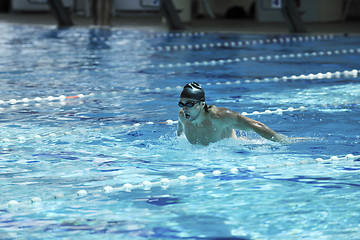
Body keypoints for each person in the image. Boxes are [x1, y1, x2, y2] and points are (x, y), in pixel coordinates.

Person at [177, 82, 289, 145]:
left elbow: (253, 125)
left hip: (238, 149)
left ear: (202, 104)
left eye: (189, 104)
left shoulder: (219, 117)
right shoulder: (183, 116)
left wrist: (282, 141)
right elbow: (179, 134)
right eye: (181, 104)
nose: (184, 108)